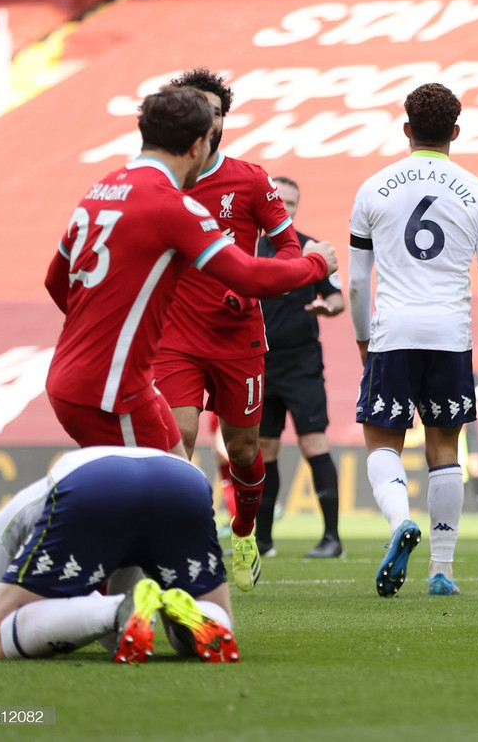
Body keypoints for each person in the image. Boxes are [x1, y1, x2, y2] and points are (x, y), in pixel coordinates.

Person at [43, 87, 336, 470]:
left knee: (184, 477)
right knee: (155, 490)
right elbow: (246, 273)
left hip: (74, 372)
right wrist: (317, 264)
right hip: (113, 384)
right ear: (198, 145)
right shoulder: (171, 203)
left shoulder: (102, 187)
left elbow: (55, 281)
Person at [349, 82, 478, 598]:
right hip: (450, 334)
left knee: (382, 442)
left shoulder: (374, 188)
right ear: (455, 132)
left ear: (406, 130)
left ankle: (400, 521)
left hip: (393, 330)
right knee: (446, 448)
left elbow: (356, 281)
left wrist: (362, 337)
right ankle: (441, 570)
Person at [151, 68, 307, 592]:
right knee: (180, 442)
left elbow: (290, 250)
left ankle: (243, 531)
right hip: (174, 336)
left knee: (245, 451)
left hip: (238, 338)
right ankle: (184, 550)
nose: (205, 119)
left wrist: (253, 286)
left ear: (222, 121)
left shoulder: (250, 180)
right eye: (195, 107)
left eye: (213, 111)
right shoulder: (159, 180)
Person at [0, 446, 240, 663]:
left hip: (94, 487)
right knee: (213, 613)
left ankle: (119, 610)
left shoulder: (31, 500)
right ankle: (187, 610)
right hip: (185, 481)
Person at [255, 175, 346, 559]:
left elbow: (338, 298)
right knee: (263, 449)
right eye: (279, 200)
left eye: (292, 203)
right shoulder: (245, 247)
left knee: (313, 443)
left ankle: (332, 539)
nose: (286, 208)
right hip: (259, 362)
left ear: (298, 206)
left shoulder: (314, 249)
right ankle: (262, 541)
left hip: (302, 364)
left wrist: (328, 307)